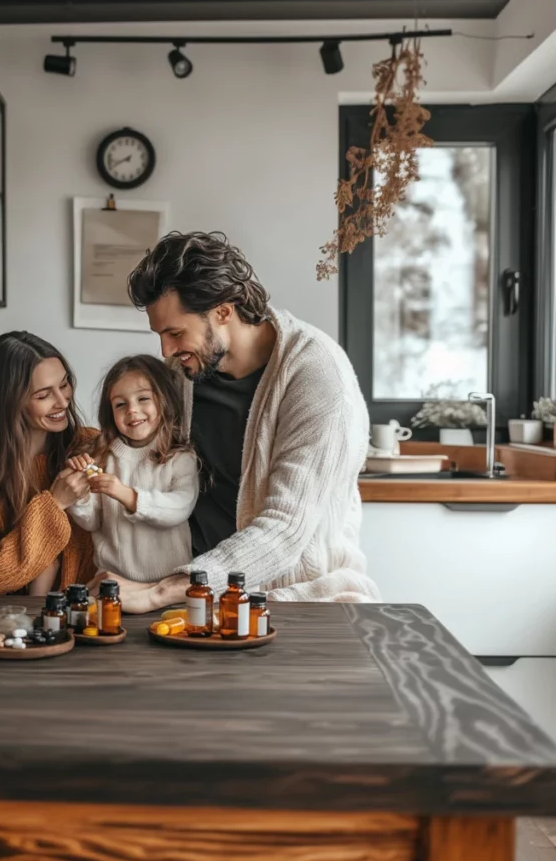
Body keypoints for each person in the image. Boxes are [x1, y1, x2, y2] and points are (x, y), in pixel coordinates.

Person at [90, 230, 380, 611]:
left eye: (175, 333)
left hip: (295, 599)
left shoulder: (319, 376)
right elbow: (145, 449)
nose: (166, 350)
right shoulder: (183, 372)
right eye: (160, 335)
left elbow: (285, 530)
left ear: (224, 311)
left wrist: (160, 592)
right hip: (196, 597)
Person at [0, 331, 95, 595]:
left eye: (64, 384)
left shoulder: (91, 445)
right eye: (44, 394)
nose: (62, 401)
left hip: (88, 621)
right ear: (10, 403)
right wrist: (54, 504)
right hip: (2, 624)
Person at [66, 354, 199, 582]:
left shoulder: (179, 458)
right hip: (113, 581)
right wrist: (79, 494)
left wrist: (127, 495)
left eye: (143, 399)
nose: (132, 410)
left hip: (169, 584)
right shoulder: (103, 457)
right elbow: (92, 521)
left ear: (164, 399)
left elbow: (179, 508)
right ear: (111, 412)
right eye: (120, 404)